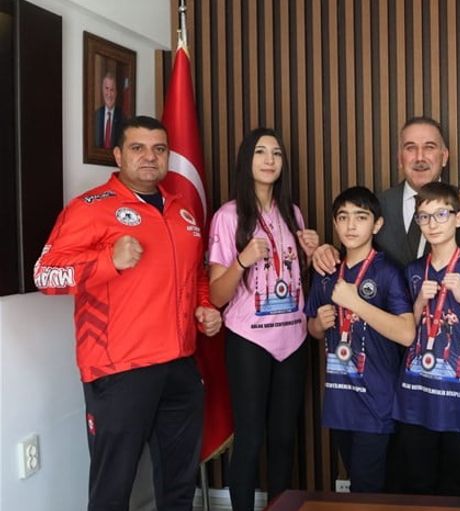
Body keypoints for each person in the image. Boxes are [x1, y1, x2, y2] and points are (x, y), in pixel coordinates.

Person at [33, 115, 222, 510]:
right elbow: (45, 274)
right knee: (112, 490)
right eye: (138, 148)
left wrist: (204, 305)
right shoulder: (89, 208)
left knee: (178, 488)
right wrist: (108, 260)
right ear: (118, 155)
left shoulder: (182, 211)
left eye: (159, 149)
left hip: (180, 365)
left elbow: (196, 274)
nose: (149, 157)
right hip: (119, 370)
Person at [207, 128, 319, 510]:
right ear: (246, 161)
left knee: (284, 438)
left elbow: (293, 277)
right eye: (260, 152)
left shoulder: (293, 213)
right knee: (251, 437)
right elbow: (217, 295)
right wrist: (242, 260)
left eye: (276, 153)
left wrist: (311, 254)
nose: (270, 160)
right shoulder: (228, 216)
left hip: (293, 338)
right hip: (249, 340)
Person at [393, 181, 460, 496]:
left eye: (441, 214)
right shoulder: (413, 271)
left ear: (459, 218)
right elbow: (403, 335)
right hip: (415, 400)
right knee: (418, 491)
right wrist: (418, 303)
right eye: (424, 217)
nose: (433, 224)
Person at [305, 186, 416, 493]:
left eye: (361, 217)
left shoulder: (388, 272)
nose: (351, 225)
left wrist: (356, 303)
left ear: (377, 225)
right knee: (359, 480)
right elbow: (312, 329)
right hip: (340, 400)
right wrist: (318, 324)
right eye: (343, 217)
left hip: (376, 400)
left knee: (368, 488)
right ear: (335, 223)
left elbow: (407, 333)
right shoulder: (326, 272)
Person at [312, 116, 460, 272]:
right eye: (410, 148)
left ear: (444, 157)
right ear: (400, 159)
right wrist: (328, 253)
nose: (419, 157)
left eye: (429, 147)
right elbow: (353, 258)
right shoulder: (379, 204)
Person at [95, 71, 123, 149]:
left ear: (116, 93)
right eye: (106, 88)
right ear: (102, 90)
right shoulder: (95, 116)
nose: (109, 94)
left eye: (112, 90)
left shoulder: (123, 118)